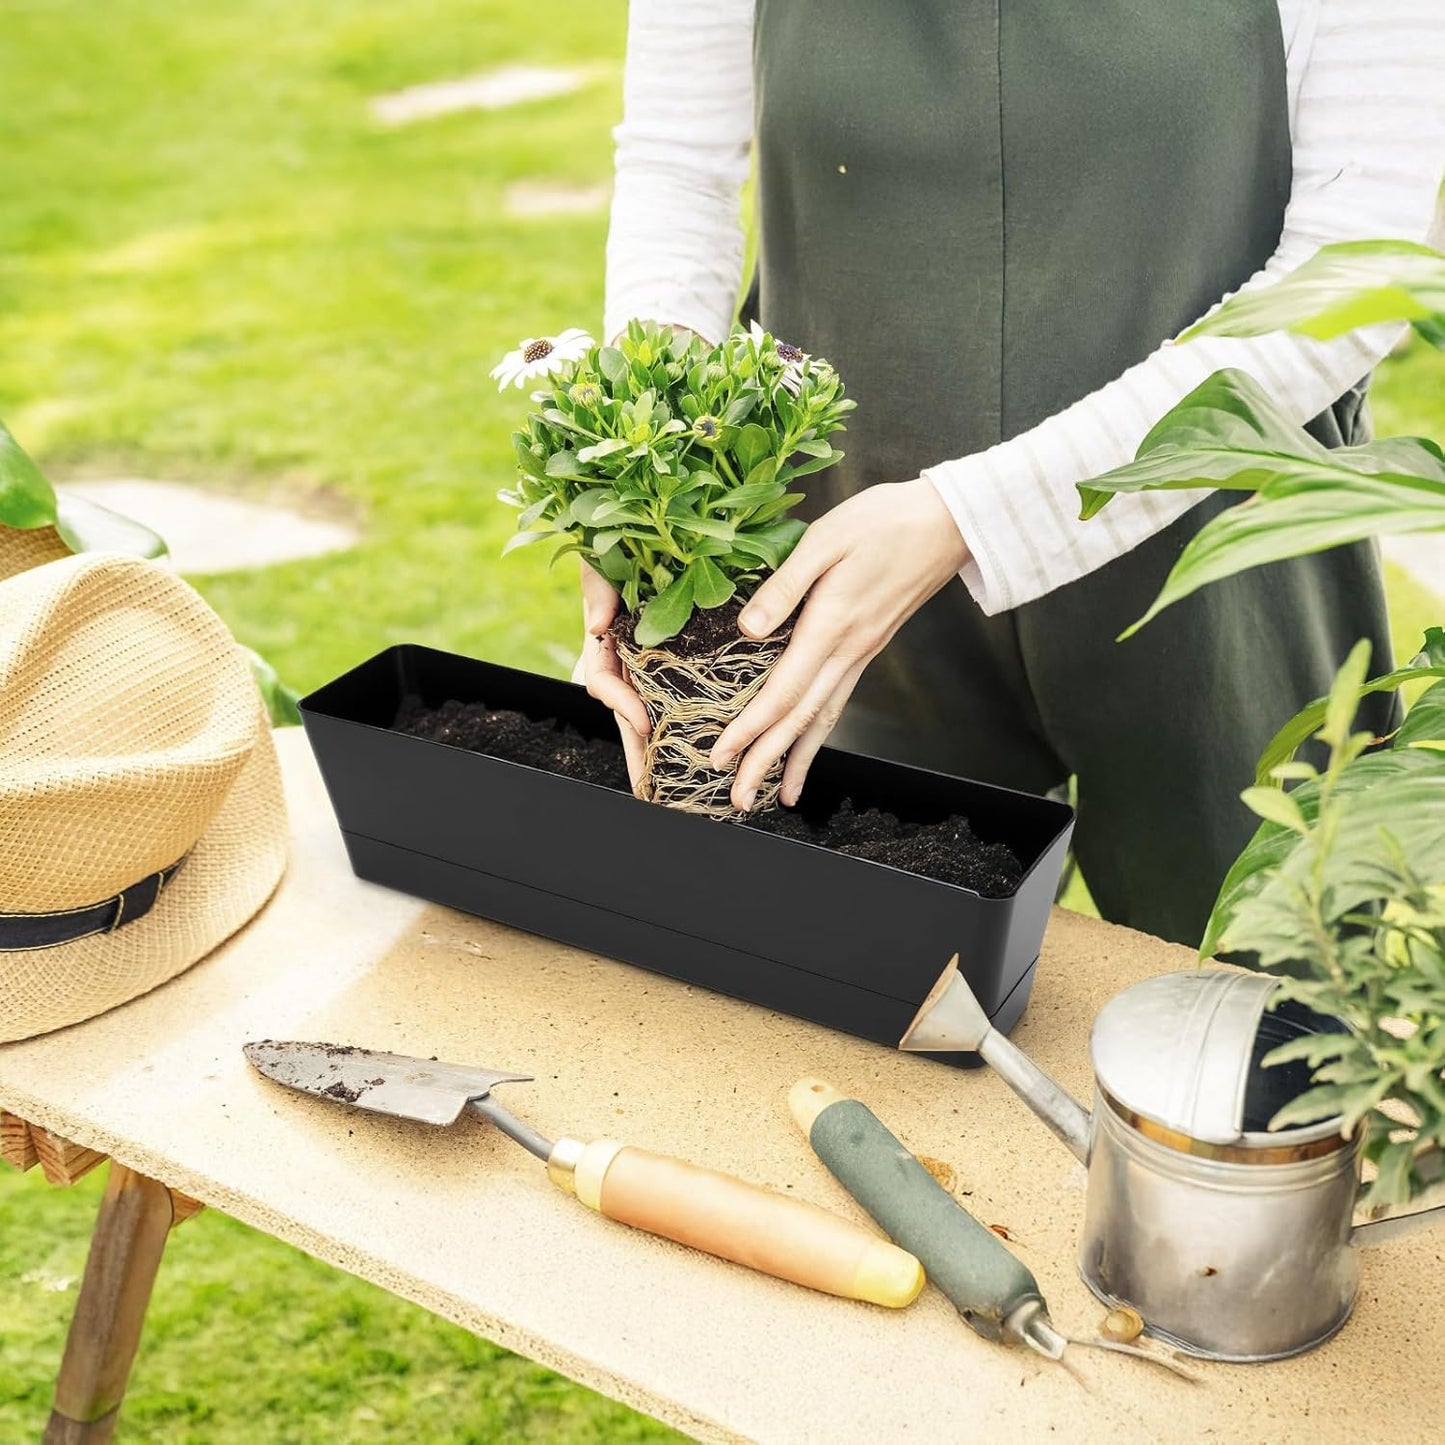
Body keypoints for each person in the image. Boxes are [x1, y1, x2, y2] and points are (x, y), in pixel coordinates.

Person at [580, 0, 1445, 947]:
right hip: (844, 567)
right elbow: (679, 163)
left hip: (1218, 555)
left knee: (1261, 1002)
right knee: (856, 975)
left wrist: (973, 516)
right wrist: (652, 467)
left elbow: (1351, 272)